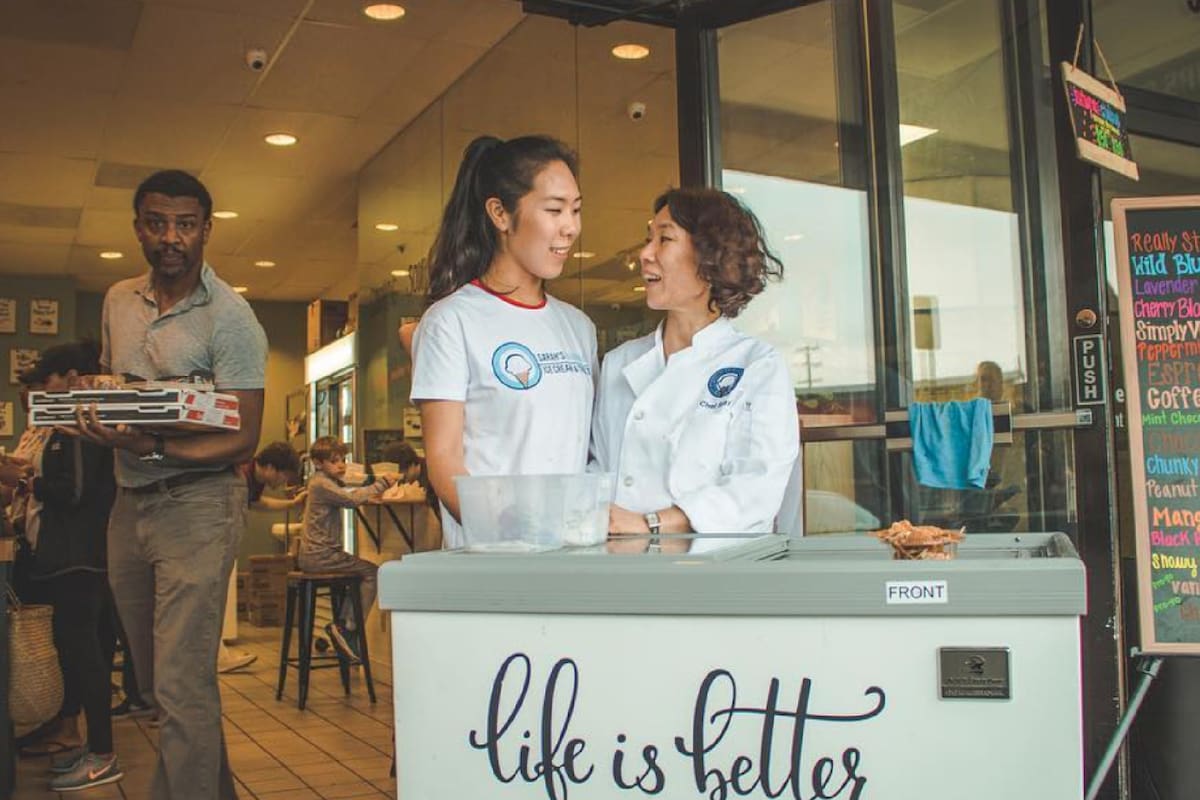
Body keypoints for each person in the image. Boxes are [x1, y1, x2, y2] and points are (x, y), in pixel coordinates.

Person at [73, 169, 267, 800]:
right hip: (129, 504)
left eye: (185, 225)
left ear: (206, 229)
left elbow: (243, 438)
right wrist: (96, 412)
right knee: (158, 684)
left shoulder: (231, 317)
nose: (171, 237)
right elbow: (116, 392)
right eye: (157, 223)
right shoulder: (118, 300)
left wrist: (150, 444)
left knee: (182, 685)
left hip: (201, 504)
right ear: (139, 228)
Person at [411, 135, 596, 548]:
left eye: (576, 209)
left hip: (570, 557)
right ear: (499, 213)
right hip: (493, 559)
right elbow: (444, 461)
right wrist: (509, 540)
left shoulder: (579, 328)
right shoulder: (451, 321)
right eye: (554, 210)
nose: (571, 227)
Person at [591, 187, 799, 553]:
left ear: (711, 257)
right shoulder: (620, 363)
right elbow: (597, 471)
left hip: (715, 572)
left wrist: (649, 525)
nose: (645, 254)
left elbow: (755, 490)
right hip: (622, 567)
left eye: (664, 239)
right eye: (648, 239)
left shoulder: (757, 365)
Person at [20, 342, 123, 790]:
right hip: (73, 556)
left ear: (73, 379)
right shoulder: (72, 423)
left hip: (78, 558)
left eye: (48, 380)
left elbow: (75, 493)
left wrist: (27, 481)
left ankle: (102, 753)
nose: (43, 390)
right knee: (79, 655)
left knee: (86, 658)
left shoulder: (80, 424)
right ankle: (91, 746)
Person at [298, 436, 395, 662]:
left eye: (343, 459)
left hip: (315, 555)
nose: (341, 465)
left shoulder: (323, 482)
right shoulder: (321, 484)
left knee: (362, 572)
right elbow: (350, 500)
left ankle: (342, 626)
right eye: (334, 461)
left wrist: (365, 495)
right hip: (321, 555)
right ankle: (346, 628)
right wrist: (382, 484)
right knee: (372, 572)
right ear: (318, 463)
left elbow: (349, 494)